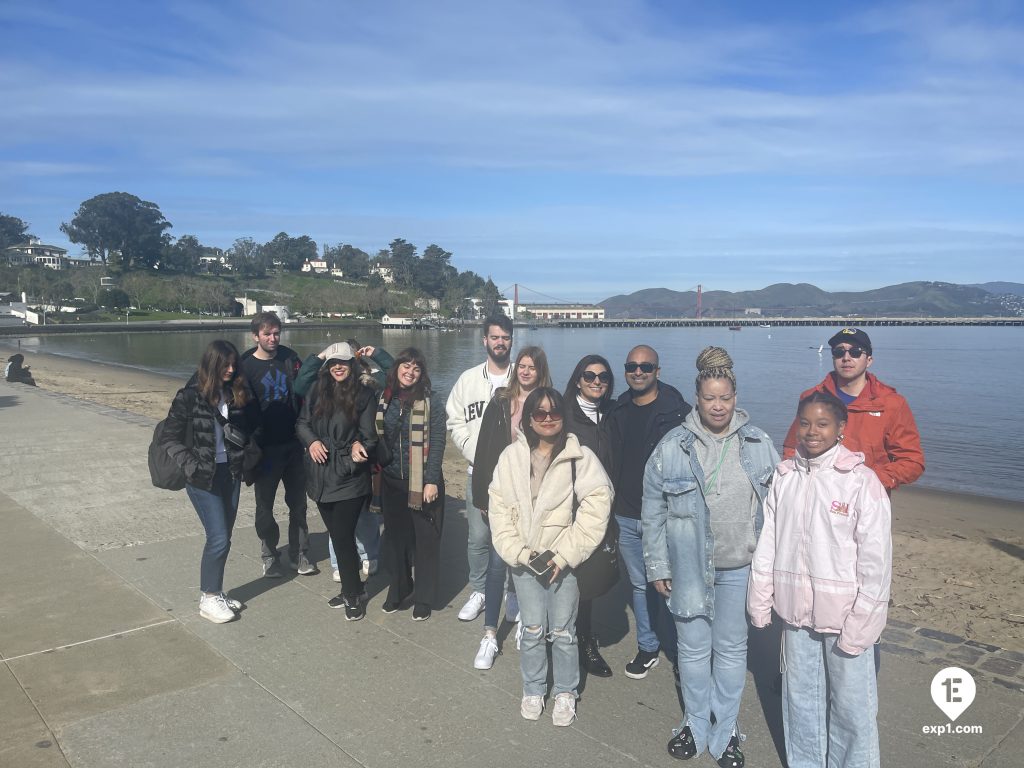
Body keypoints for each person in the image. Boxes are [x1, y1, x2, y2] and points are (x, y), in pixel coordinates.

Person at [642, 347, 779, 767]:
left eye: (724, 397)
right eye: (708, 398)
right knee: (694, 652)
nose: (717, 406)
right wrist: (658, 565)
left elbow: (777, 512)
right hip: (687, 569)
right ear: (696, 398)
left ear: (735, 397)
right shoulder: (673, 447)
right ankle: (695, 723)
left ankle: (726, 731)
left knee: (733, 652)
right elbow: (653, 509)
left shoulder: (759, 444)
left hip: (741, 568)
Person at [749, 391, 892, 768]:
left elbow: (876, 562)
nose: (812, 432)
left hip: (845, 617)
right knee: (800, 703)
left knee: (852, 710)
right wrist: (761, 598)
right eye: (806, 423)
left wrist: (863, 623)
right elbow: (770, 543)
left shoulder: (861, 483)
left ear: (841, 428)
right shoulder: (784, 479)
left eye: (823, 423)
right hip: (796, 615)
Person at [488, 387, 612, 726]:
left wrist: (565, 555)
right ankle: (532, 688)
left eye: (553, 412)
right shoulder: (511, 457)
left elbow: (597, 506)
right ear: (528, 418)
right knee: (531, 629)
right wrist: (518, 552)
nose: (547, 419)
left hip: (564, 562)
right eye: (539, 413)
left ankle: (565, 691)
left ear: (563, 416)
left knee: (563, 631)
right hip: (525, 560)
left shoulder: (580, 457)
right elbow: (498, 508)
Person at [604, 344, 690, 678]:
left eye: (646, 367)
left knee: (671, 586)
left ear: (658, 370)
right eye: (632, 366)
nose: (638, 372)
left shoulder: (678, 411)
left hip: (664, 516)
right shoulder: (618, 409)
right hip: (625, 514)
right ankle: (648, 645)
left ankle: (684, 652)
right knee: (640, 586)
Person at [162, 340, 259, 624]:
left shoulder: (236, 393)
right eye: (224, 364)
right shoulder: (189, 396)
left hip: (230, 473)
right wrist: (191, 465)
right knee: (217, 537)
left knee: (224, 537)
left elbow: (247, 428)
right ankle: (208, 598)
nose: (230, 369)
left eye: (233, 364)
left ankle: (216, 591)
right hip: (203, 477)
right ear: (211, 363)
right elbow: (169, 437)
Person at [470, 346, 551, 669]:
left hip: (535, 498)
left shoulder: (548, 404)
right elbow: (484, 448)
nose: (526, 371)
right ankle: (490, 633)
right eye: (523, 366)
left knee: (532, 563)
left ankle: (528, 623)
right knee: (496, 563)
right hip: (501, 495)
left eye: (533, 367)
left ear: (540, 370)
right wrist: (481, 497)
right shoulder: (501, 401)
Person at [295, 339, 394, 583]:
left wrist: (376, 353)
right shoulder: (320, 389)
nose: (339, 366)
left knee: (366, 515)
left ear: (356, 360)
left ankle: (368, 554)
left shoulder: (369, 383)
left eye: (346, 360)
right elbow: (299, 386)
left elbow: (396, 375)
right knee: (338, 524)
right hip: (328, 465)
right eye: (333, 361)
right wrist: (319, 356)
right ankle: (340, 562)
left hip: (361, 461)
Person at [782, 327, 924, 493]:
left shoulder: (892, 404)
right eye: (839, 352)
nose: (846, 358)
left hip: (866, 499)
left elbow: (912, 461)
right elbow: (792, 446)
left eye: (856, 352)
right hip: (814, 493)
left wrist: (872, 479)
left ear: (869, 360)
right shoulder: (811, 398)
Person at [446, 315, 513, 622]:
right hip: (477, 473)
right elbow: (454, 420)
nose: (500, 342)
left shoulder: (523, 378)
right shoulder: (468, 379)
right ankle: (480, 591)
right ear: (484, 340)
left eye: (505, 337)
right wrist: (477, 453)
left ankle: (512, 593)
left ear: (511, 340)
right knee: (478, 537)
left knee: (513, 535)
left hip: (515, 477)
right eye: (494, 337)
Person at [240, 312, 314, 578]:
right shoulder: (245, 365)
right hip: (264, 449)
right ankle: (269, 554)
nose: (273, 338)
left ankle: (300, 553)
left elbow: (308, 386)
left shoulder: (290, 358)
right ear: (256, 336)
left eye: (276, 333)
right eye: (267, 334)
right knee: (264, 507)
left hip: (293, 444)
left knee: (298, 504)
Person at [376, 347, 447, 621]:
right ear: (395, 369)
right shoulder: (384, 397)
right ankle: (399, 588)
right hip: (392, 480)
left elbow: (438, 439)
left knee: (426, 541)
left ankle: (424, 597)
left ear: (422, 374)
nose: (410, 372)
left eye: (416, 368)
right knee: (396, 540)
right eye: (405, 366)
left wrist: (431, 481)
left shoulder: (432, 400)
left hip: (422, 482)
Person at [562, 354, 616, 677]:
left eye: (603, 377)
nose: (596, 381)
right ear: (578, 379)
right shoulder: (565, 414)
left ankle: (583, 639)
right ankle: (565, 639)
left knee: (589, 581)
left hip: (601, 510)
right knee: (567, 577)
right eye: (589, 375)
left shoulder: (611, 414)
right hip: (569, 511)